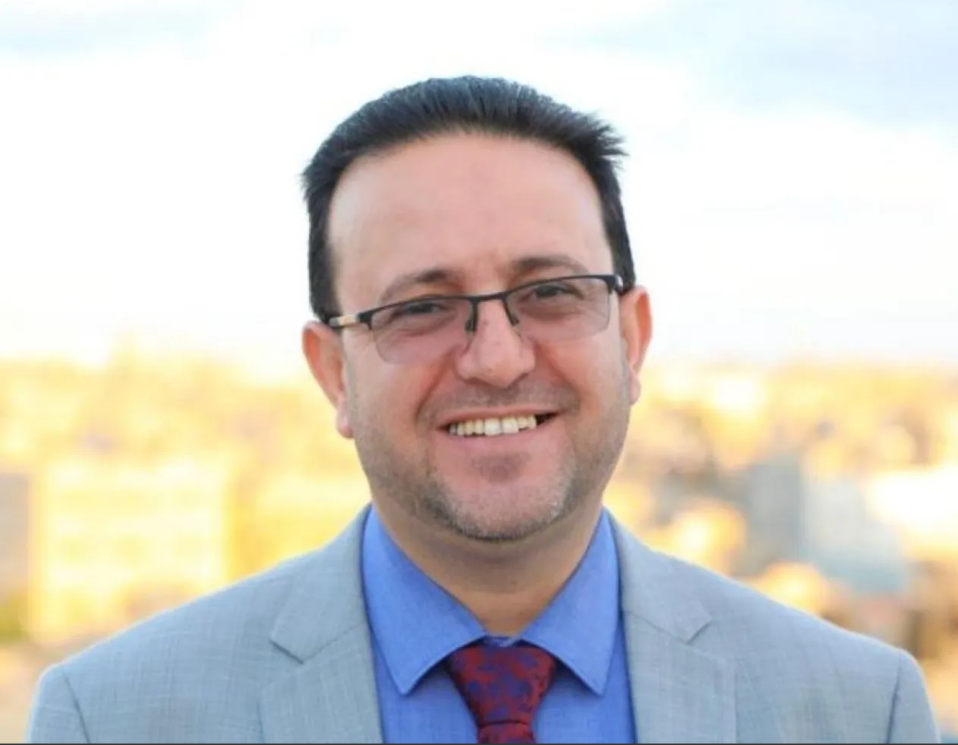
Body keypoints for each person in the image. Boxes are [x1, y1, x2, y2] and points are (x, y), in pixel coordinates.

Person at [26, 76, 940, 744]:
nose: (497, 359)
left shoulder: (861, 711)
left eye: (550, 293)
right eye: (422, 308)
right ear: (333, 371)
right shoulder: (114, 718)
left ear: (632, 338)